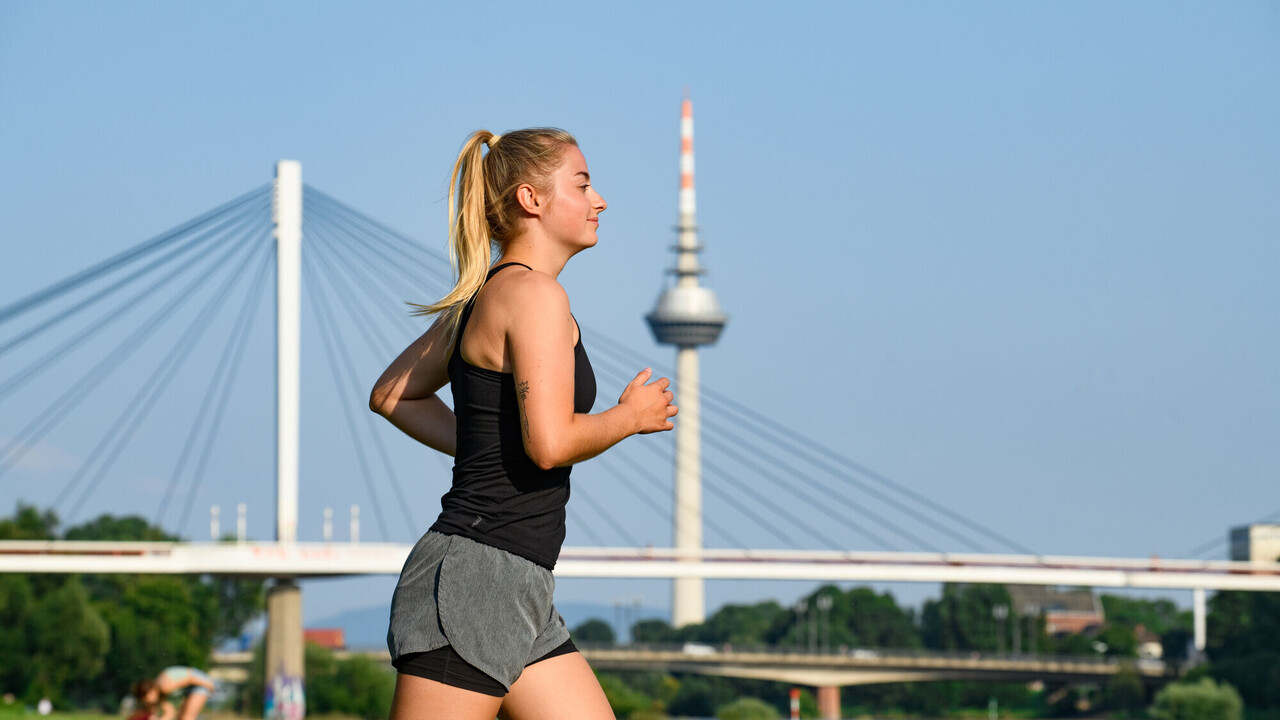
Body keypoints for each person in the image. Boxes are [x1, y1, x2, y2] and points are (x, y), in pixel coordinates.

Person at [371, 127, 677, 719]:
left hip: (518, 584)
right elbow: (551, 445)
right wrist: (626, 418)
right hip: (476, 577)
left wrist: (493, 446)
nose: (600, 200)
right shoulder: (535, 296)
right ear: (531, 199)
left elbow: (392, 396)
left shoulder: (486, 294)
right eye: (583, 183)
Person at [131, 667, 215, 720]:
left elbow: (190, 678)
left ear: (150, 692)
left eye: (147, 700)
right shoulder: (159, 693)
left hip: (198, 681)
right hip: (190, 688)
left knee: (187, 718)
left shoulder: (165, 686)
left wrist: (208, 684)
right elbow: (170, 712)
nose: (148, 703)